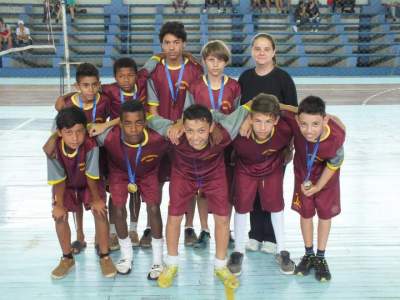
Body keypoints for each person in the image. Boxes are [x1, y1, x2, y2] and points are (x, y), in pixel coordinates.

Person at [147, 103, 250, 290]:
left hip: (214, 175)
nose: (195, 137)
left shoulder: (225, 132)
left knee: (222, 219)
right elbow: (149, 119)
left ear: (211, 128)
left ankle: (220, 266)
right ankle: (171, 264)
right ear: (183, 128)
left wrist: (249, 119)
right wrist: (176, 124)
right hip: (183, 175)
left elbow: (248, 106)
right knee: (174, 217)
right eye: (190, 131)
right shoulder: (174, 132)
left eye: (201, 131)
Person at [144, 21, 203, 247]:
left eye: (176, 43)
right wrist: (168, 128)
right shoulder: (155, 70)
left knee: (187, 183)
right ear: (161, 45)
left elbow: (196, 103)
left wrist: (180, 125)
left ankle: (189, 227)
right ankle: (151, 226)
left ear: (183, 44)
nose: (171, 47)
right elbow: (151, 109)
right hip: (159, 134)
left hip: (186, 134)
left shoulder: (194, 70)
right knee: (155, 183)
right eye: (167, 43)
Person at [238, 33, 298, 255]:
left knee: (271, 192)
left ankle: (271, 237)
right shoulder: (245, 78)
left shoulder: (283, 79)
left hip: (276, 147)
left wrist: (289, 146)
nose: (261, 52)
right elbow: (241, 110)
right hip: (252, 145)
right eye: (257, 48)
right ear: (252, 51)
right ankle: (255, 235)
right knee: (252, 191)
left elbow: (292, 115)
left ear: (274, 52)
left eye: (266, 49)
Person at [95, 100, 169, 279]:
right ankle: (126, 255)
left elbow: (180, 129)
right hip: (119, 173)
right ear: (120, 124)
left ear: (145, 122)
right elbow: (84, 131)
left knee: (153, 208)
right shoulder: (108, 136)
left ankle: (158, 259)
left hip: (148, 173)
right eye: (127, 123)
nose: (133, 128)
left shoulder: (158, 138)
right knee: (118, 209)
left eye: (138, 122)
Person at [227, 94, 296, 276]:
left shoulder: (285, 128)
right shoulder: (238, 131)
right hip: (245, 168)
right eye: (257, 121)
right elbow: (215, 120)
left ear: (276, 120)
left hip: (271, 167)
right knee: (241, 206)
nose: (263, 127)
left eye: (268, 121)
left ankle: (282, 251)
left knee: (276, 206)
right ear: (249, 119)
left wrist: (333, 119)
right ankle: (238, 251)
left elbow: (304, 113)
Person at [280, 96, 345, 282]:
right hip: (303, 174)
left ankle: (321, 257)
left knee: (325, 215)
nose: (309, 131)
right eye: (303, 124)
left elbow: (335, 163)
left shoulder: (336, 135)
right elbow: (276, 106)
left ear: (325, 120)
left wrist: (318, 187)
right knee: (306, 213)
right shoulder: (295, 119)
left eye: (315, 124)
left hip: (327, 178)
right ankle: (308, 254)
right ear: (297, 120)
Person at [46, 106, 116, 279]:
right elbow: (58, 179)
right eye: (69, 132)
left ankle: (105, 256)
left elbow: (91, 174)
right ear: (60, 133)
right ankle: (67, 258)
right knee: (59, 215)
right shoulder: (53, 148)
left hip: (89, 183)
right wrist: (59, 204)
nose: (75, 138)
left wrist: (96, 200)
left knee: (100, 211)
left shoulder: (91, 144)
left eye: (79, 132)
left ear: (85, 130)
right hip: (66, 184)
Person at [49, 62, 111, 255]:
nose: (90, 89)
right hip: (74, 155)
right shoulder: (67, 104)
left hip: (96, 153)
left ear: (98, 84)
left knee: (96, 195)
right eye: (85, 85)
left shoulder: (105, 101)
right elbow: (59, 128)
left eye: (94, 85)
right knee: (74, 194)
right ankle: (80, 234)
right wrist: (51, 140)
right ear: (78, 86)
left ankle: (103, 240)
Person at [183, 40, 240, 248]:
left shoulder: (234, 86)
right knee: (202, 189)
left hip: (226, 145)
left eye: (220, 60)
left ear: (226, 62)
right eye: (211, 60)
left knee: (226, 187)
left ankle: (227, 228)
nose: (215, 65)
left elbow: (237, 116)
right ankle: (205, 229)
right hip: (201, 146)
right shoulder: (196, 86)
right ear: (205, 61)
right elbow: (187, 115)